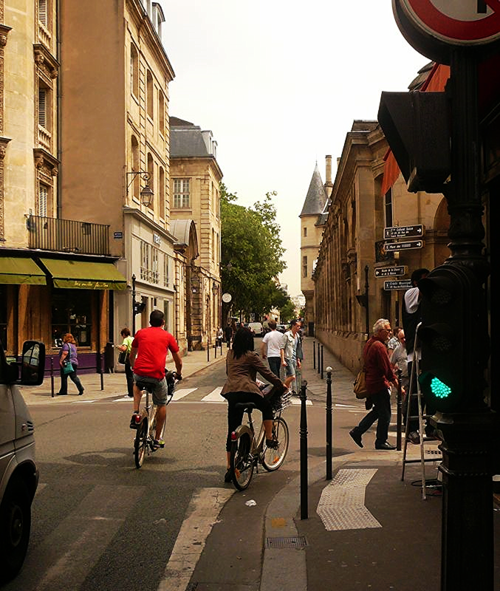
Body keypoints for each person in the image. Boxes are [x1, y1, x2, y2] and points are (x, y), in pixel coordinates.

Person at [221, 327, 289, 483]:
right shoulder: (251, 356)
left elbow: (228, 373)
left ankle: (229, 467)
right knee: (266, 407)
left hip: (231, 393)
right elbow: (267, 373)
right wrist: (280, 385)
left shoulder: (230, 354)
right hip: (248, 391)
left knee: (232, 429)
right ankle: (270, 438)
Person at [129, 310, 182, 450]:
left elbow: (132, 354)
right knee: (161, 403)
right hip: (157, 375)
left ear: (149, 322)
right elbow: (178, 359)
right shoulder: (168, 336)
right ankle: (157, 438)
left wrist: (134, 367)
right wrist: (179, 373)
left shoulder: (140, 333)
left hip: (140, 373)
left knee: (136, 385)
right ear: (163, 322)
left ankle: (135, 412)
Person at [349, 319, 398, 450]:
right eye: (388, 330)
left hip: (372, 382)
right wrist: (397, 385)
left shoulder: (370, 343)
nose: (390, 332)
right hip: (378, 384)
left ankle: (358, 432)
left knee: (378, 411)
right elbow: (386, 369)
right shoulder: (379, 347)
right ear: (380, 331)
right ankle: (380, 441)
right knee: (385, 414)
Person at [402, 268, 431, 444]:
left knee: (434, 389)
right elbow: (424, 290)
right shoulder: (411, 294)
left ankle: (432, 426)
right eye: (425, 281)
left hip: (430, 353)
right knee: (414, 391)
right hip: (416, 354)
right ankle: (411, 428)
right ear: (415, 283)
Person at [280, 319, 302, 394]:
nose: (299, 328)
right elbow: (282, 348)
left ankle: (286, 391)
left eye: (299, 326)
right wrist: (283, 360)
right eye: (297, 326)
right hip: (288, 358)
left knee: (289, 376)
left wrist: (298, 360)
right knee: (292, 376)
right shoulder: (286, 335)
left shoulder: (297, 336)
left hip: (294, 358)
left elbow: (297, 348)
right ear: (293, 326)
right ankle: (280, 389)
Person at [117, 327, 134, 397]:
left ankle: (131, 393)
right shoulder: (133, 339)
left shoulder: (126, 340)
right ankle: (136, 390)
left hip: (129, 358)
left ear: (124, 334)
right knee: (134, 376)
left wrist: (118, 347)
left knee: (129, 376)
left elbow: (124, 348)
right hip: (136, 358)